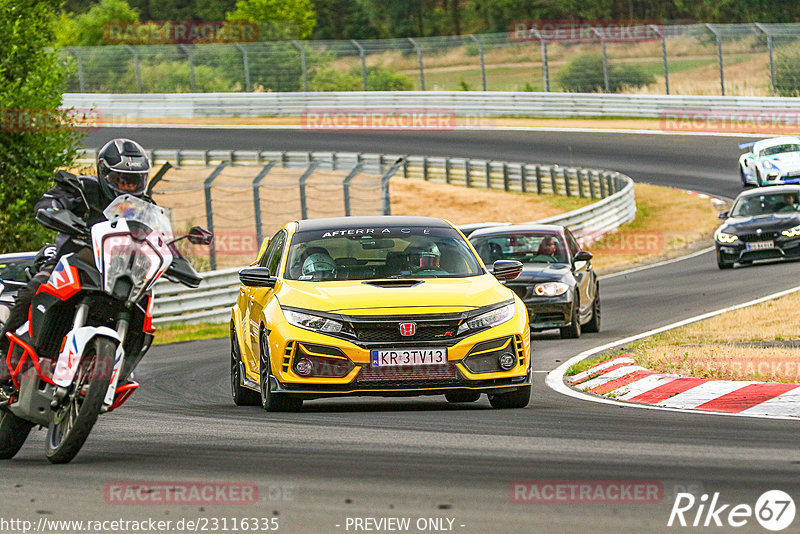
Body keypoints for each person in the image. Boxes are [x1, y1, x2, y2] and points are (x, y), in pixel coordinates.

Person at [0, 138, 152, 387]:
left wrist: (175, 258)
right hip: (74, 261)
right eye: (122, 180)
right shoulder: (81, 188)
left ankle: (120, 368)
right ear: (104, 173)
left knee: (143, 311)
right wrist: (54, 210)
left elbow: (160, 239)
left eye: (134, 181)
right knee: (36, 288)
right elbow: (50, 201)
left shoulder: (146, 207)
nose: (128, 187)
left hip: (119, 273)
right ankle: (3, 353)